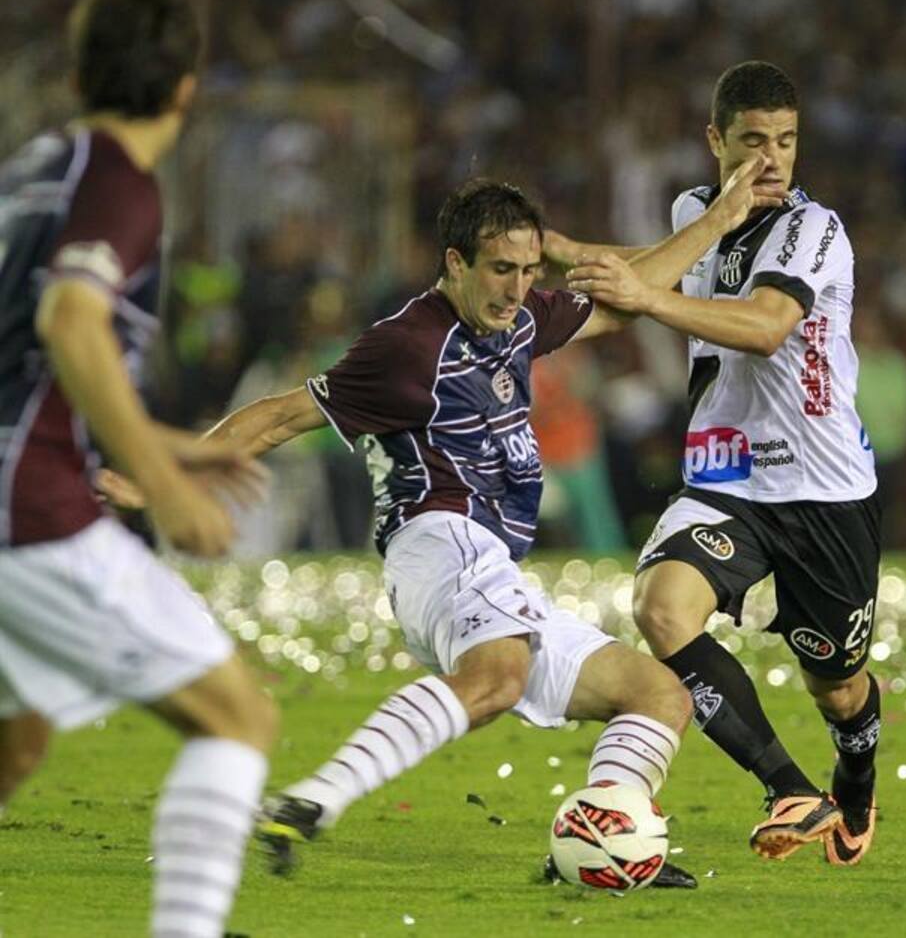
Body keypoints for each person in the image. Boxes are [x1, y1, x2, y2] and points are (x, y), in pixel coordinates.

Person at [192, 166, 782, 885]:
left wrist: (716, 223)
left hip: (491, 565)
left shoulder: (520, 317)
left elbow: (627, 303)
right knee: (496, 677)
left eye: (529, 270)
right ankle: (313, 798)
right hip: (438, 541)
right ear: (455, 263)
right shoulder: (406, 346)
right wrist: (169, 472)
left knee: (658, 696)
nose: (516, 288)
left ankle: (604, 838)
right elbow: (284, 413)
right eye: (501, 269)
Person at [552, 61, 883, 865]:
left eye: (785, 142)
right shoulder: (697, 211)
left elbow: (767, 324)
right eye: (751, 143)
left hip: (824, 489)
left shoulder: (815, 230)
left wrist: (643, 301)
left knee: (836, 685)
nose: (770, 160)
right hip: (727, 475)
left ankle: (855, 775)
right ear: (715, 141)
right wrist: (561, 250)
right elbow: (664, 260)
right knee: (662, 610)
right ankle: (787, 789)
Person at [0, 0, 277, 936]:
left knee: (17, 740)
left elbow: (26, 372)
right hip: (28, 518)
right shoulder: (121, 182)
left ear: (76, 78)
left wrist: (173, 448)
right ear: (188, 90)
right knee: (238, 720)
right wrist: (161, 490)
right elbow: (68, 324)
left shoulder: (31, 172)